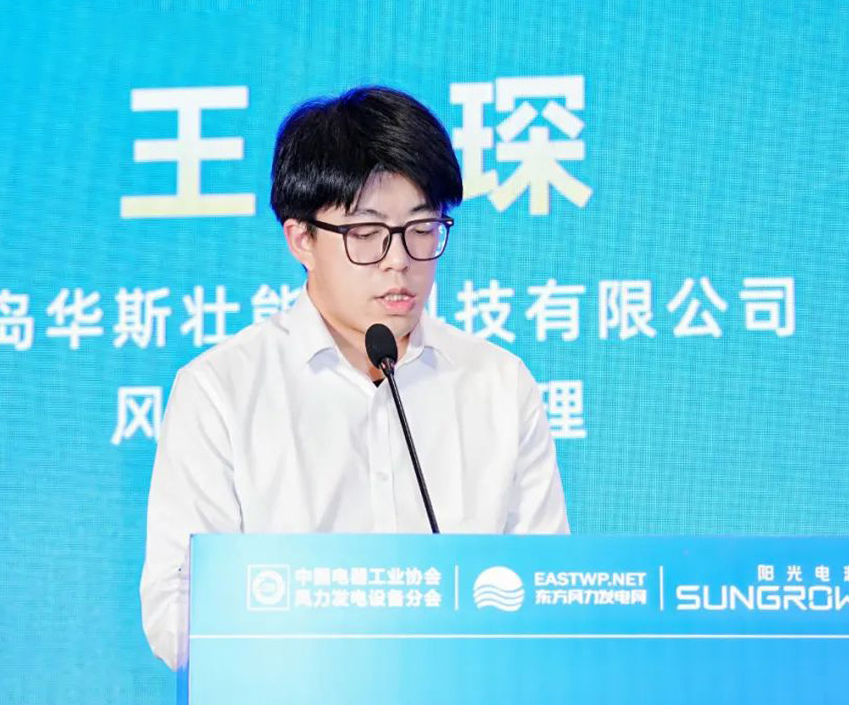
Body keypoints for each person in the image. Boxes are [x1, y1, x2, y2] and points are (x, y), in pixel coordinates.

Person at [139, 86, 569, 669]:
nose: (400, 260)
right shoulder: (223, 391)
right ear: (302, 239)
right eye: (367, 234)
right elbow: (175, 617)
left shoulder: (498, 385)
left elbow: (548, 596)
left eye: (423, 228)